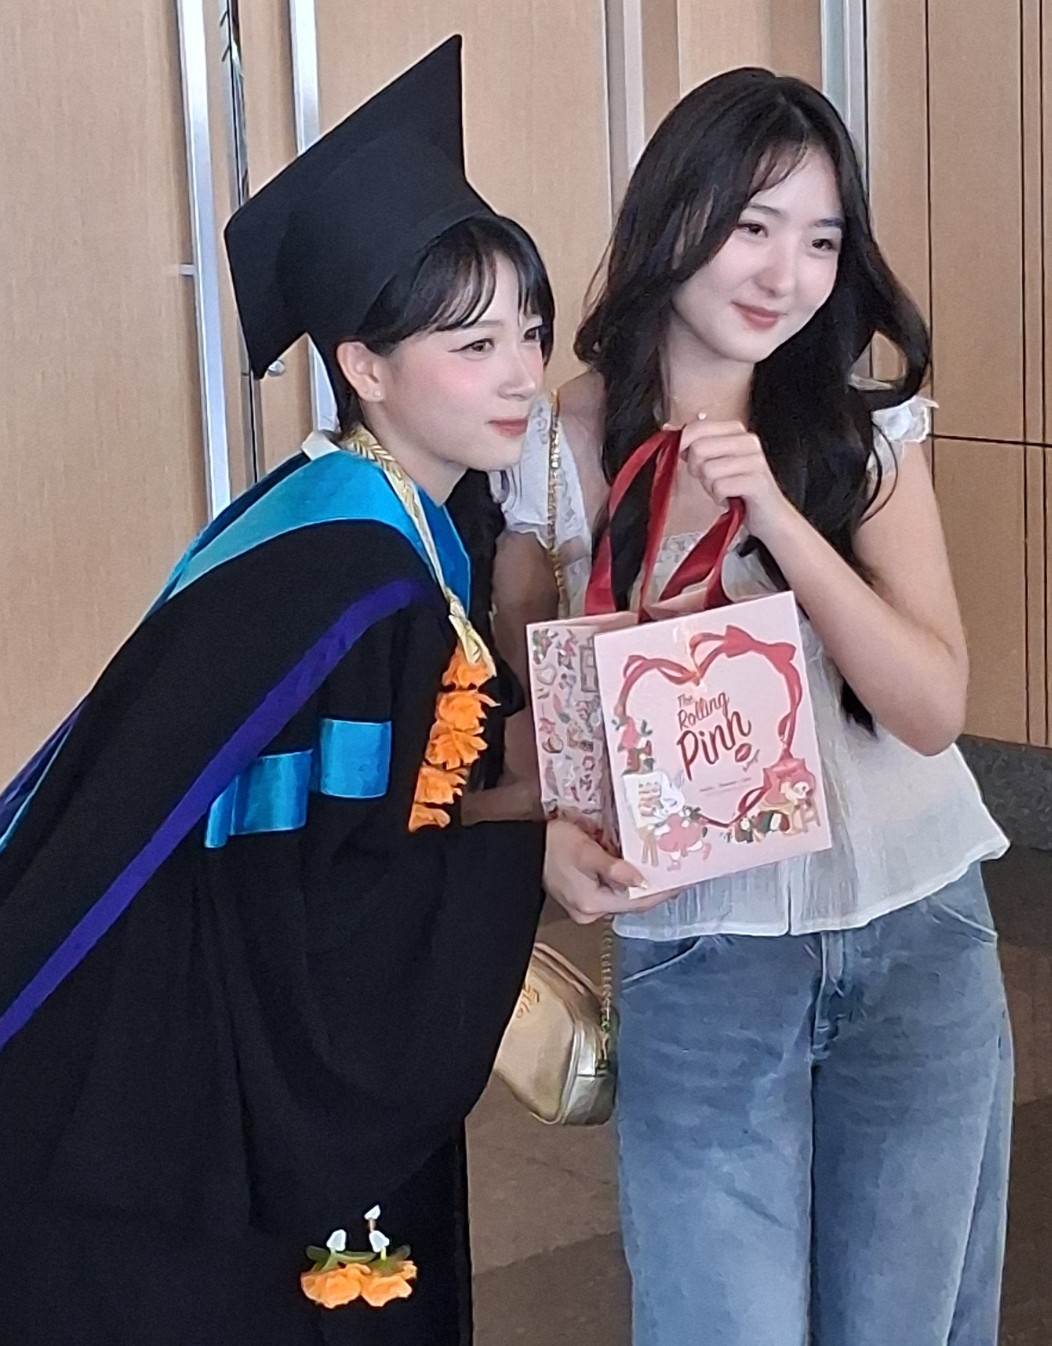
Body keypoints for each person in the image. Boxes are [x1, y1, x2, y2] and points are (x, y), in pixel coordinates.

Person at [0, 38, 625, 1346]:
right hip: (184, 1086)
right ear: (365, 366)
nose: (522, 372)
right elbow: (340, 903)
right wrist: (527, 855)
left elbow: (385, 809)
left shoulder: (359, 508)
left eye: (528, 330)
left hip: (171, 1038)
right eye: (472, 343)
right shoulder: (351, 578)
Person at [492, 67, 1012, 1346]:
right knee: (716, 1319)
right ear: (673, 213)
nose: (785, 273)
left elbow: (930, 708)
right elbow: (533, 712)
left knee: (898, 1322)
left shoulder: (860, 436)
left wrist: (776, 514)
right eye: (752, 225)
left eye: (822, 239)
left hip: (916, 929)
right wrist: (554, 831)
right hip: (701, 944)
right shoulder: (556, 448)